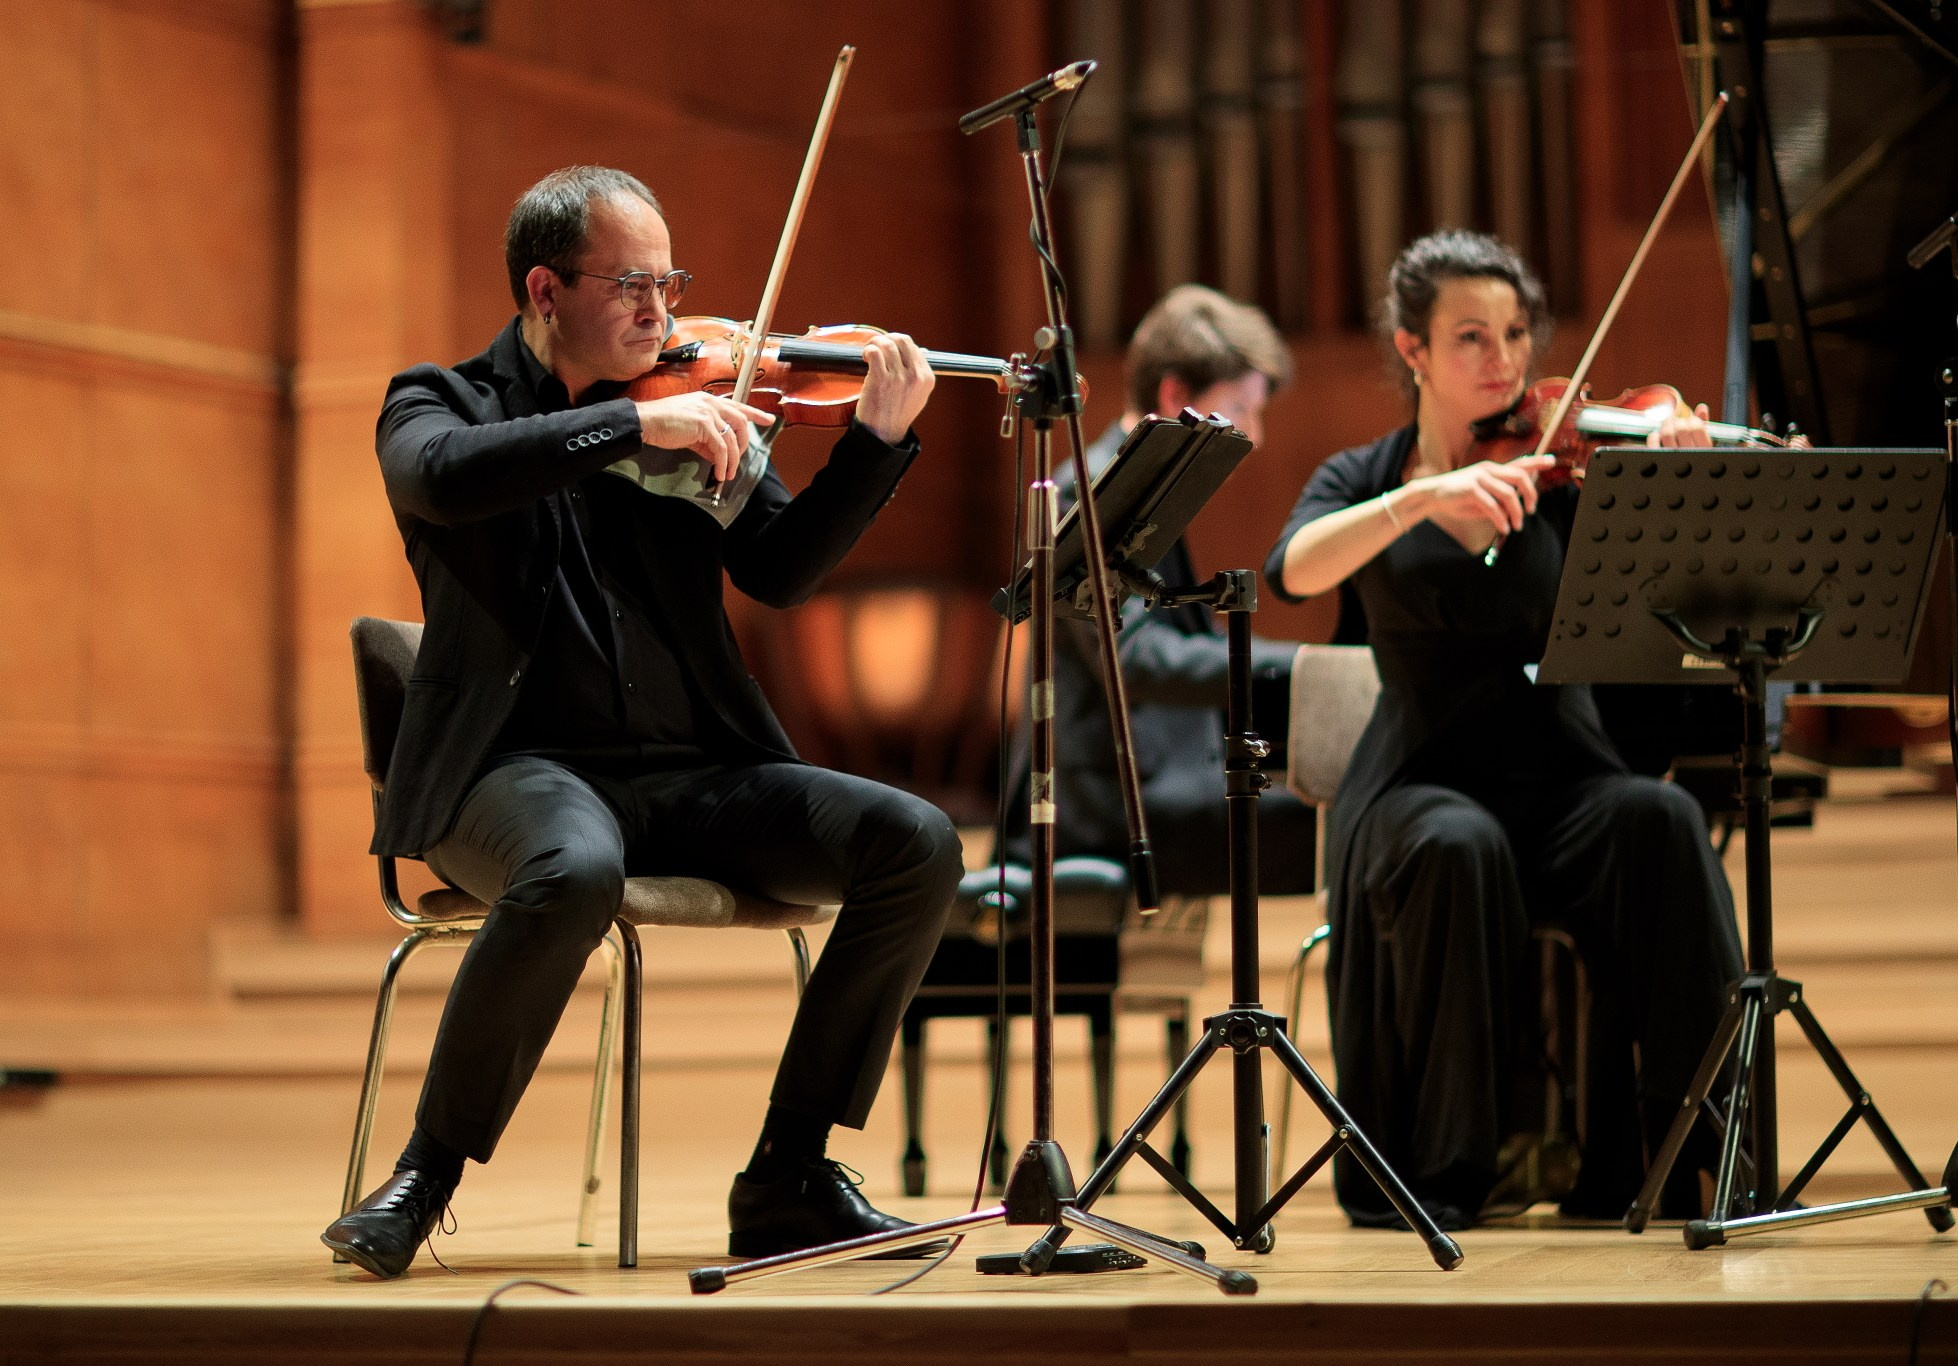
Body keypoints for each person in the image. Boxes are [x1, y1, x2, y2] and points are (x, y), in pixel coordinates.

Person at [321, 166, 962, 1278]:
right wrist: (626, 422)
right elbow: (438, 480)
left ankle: (787, 1176)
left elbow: (778, 569)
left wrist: (873, 444)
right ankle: (424, 1175)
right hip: (510, 772)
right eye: (630, 285)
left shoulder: (694, 412)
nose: (660, 312)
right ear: (543, 289)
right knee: (574, 869)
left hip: (693, 774)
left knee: (914, 840)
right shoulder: (444, 400)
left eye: (667, 283)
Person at [1262, 230, 1743, 1230]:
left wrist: (1674, 493)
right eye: (1471, 336)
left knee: (1657, 820)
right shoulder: (1370, 475)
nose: (1503, 361)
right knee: (1456, 842)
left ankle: (1687, 1152)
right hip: (1416, 782)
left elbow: (1673, 611)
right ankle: (1447, 1170)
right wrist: (1418, 499)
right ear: (1413, 352)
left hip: (1560, 777)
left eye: (1515, 333)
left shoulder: (1567, 469)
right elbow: (1294, 567)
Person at [1000, 285, 1317, 894]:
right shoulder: (1087, 491)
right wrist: (1305, 667)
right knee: (1340, 818)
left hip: (1161, 781)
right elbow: (1135, 657)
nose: (1254, 434)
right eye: (1241, 408)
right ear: (1175, 395)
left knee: (1343, 798)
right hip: (1106, 808)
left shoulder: (1142, 484)